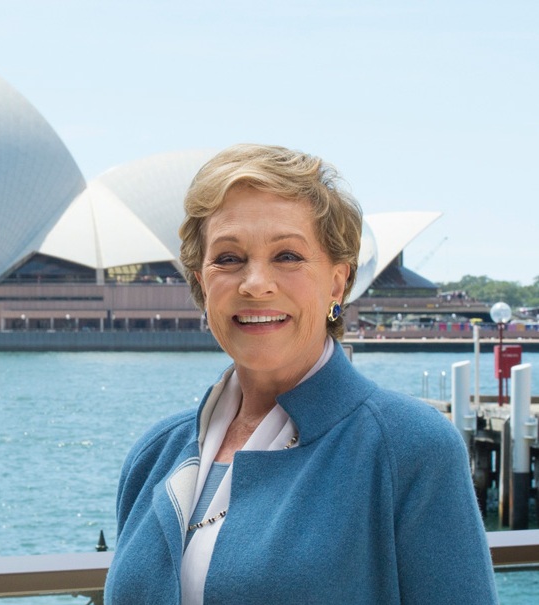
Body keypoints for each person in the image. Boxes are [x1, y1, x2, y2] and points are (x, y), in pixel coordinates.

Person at [104, 144, 498, 604]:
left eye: (287, 256)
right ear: (200, 282)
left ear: (336, 281)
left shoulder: (407, 449)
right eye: (228, 259)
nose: (255, 283)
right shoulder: (155, 454)